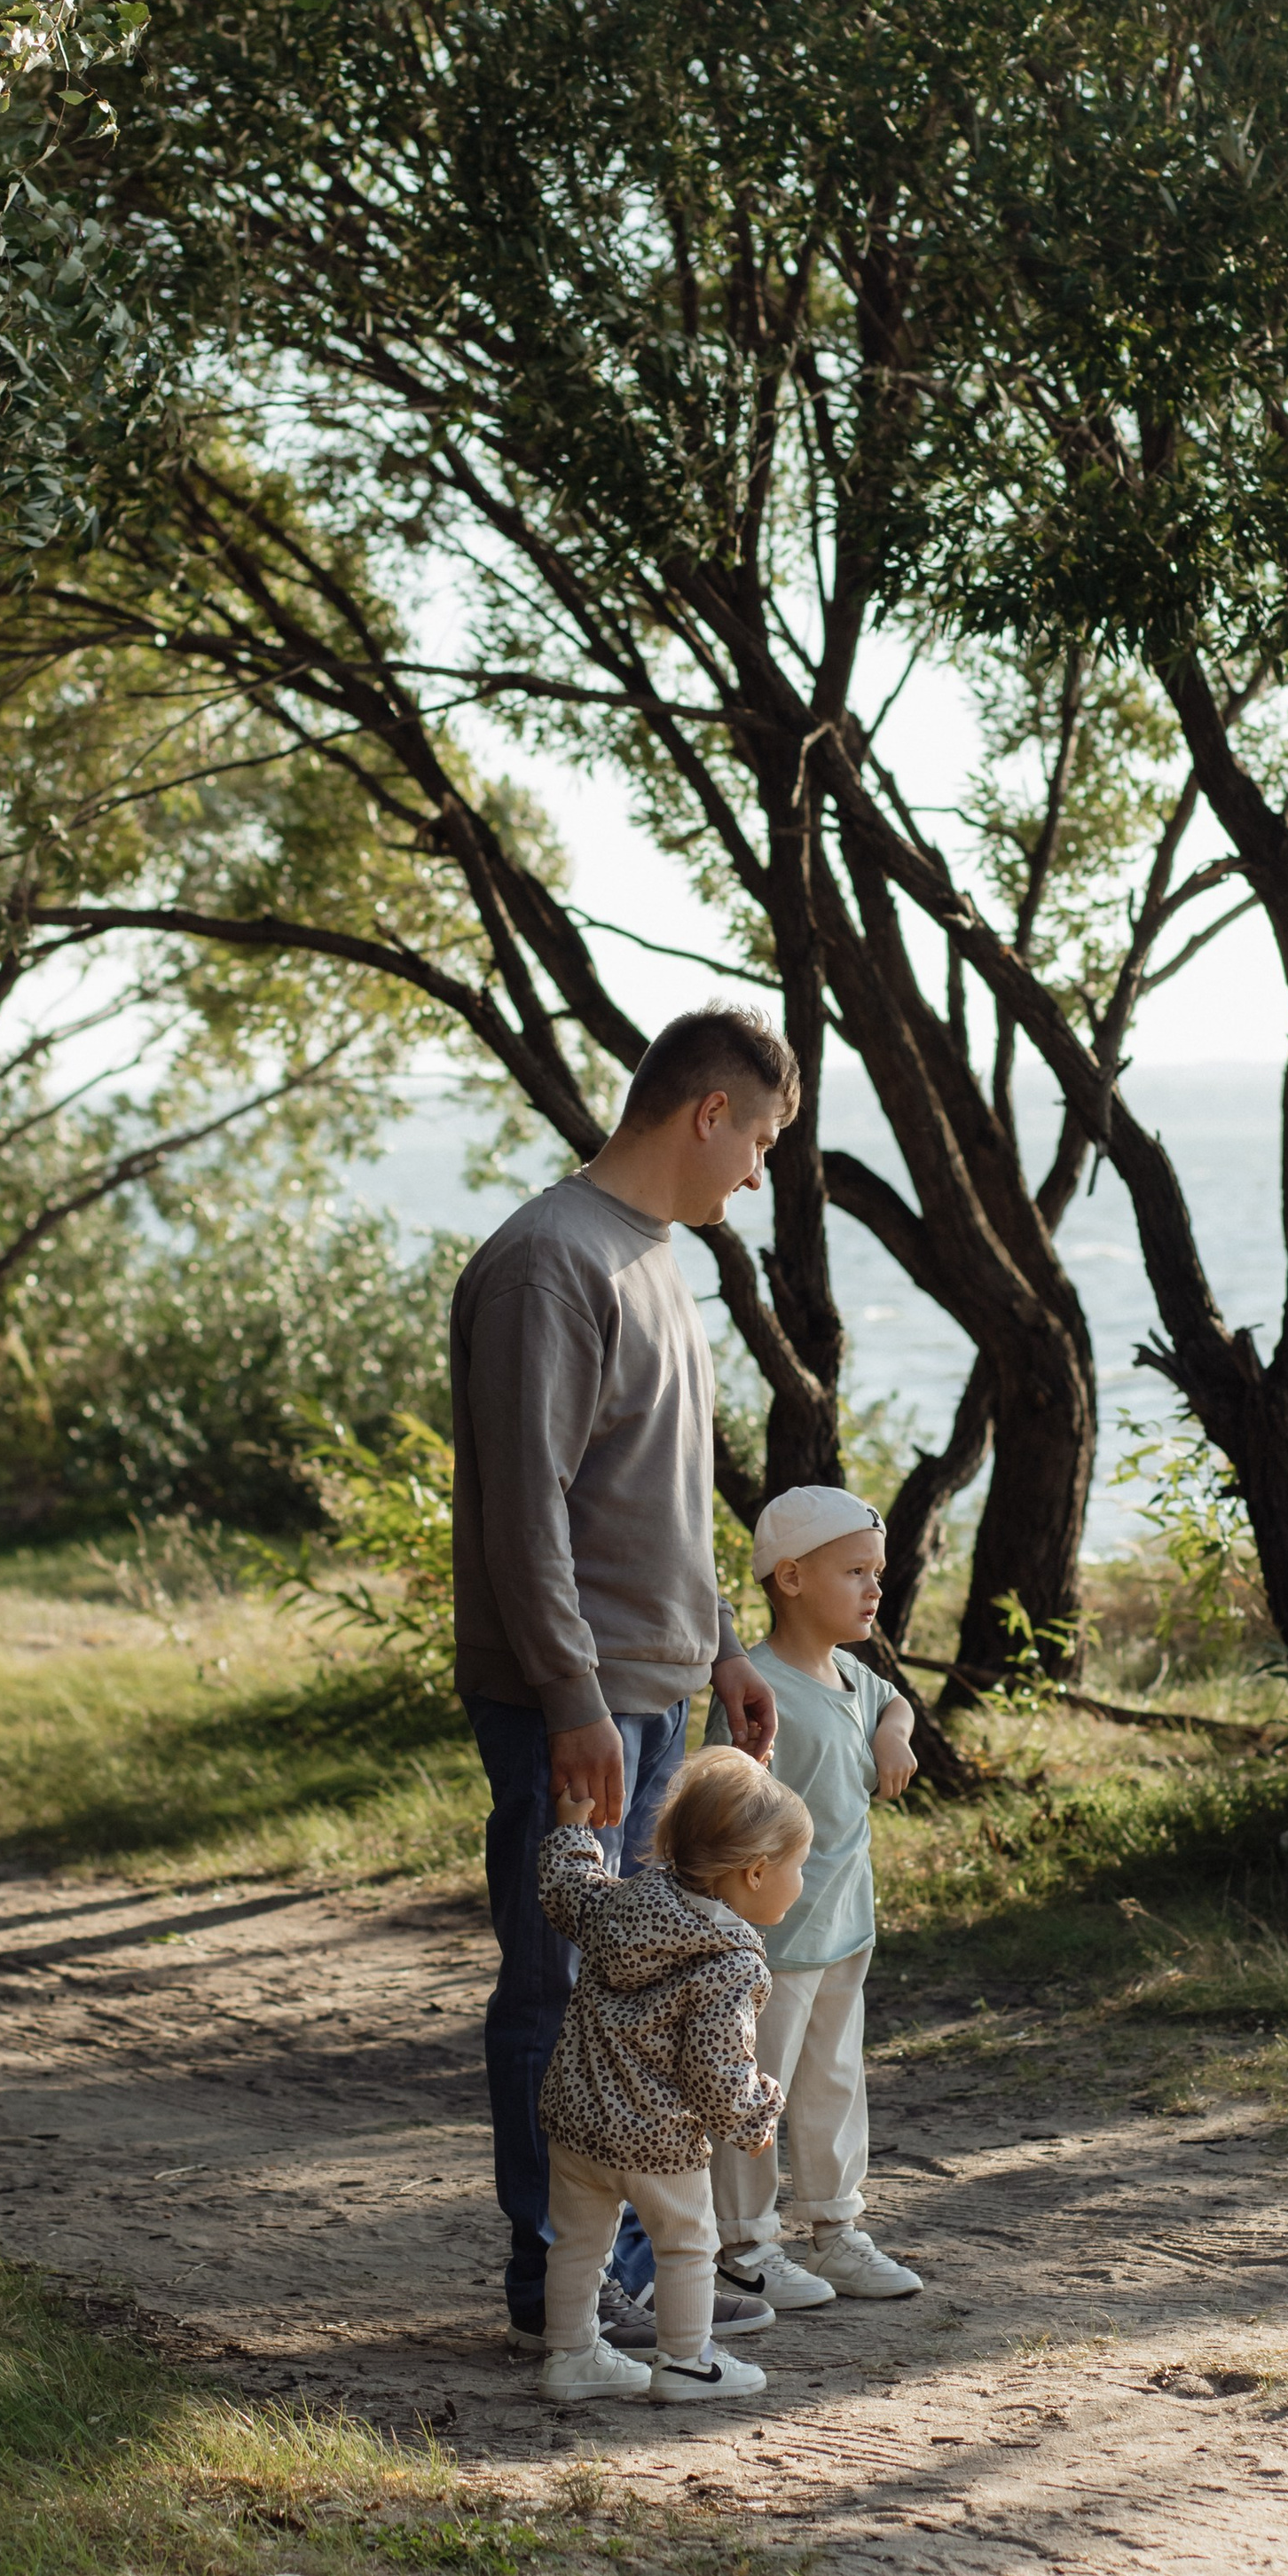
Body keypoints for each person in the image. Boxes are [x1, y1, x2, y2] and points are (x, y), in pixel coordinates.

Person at [451, 1004, 788, 2353]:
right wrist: (574, 1697)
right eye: (759, 1140)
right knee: (556, 1982)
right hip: (573, 1700)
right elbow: (525, 1511)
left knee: (637, 1993)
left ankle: (640, 2262)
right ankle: (559, 2285)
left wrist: (721, 1642)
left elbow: (663, 1494)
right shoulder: (549, 1263)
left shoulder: (656, 1258)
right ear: (709, 1112)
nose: (757, 1173)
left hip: (653, 1678)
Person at [533, 1748, 813, 2403]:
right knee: (688, 2244)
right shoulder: (732, 1963)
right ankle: (686, 2362)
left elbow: (568, 1888)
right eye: (799, 1866)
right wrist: (755, 2116)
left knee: (577, 2246)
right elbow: (717, 2069)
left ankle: (570, 2356)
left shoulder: (622, 1908)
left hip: (578, 2123)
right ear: (754, 1872)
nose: (803, 1878)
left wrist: (575, 1829)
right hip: (659, 2142)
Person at [704, 1483, 925, 2305]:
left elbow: (892, 1700)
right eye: (856, 1572)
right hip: (770, 1940)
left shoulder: (851, 1674)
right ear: (791, 1578)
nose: (876, 1589)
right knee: (752, 2090)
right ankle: (746, 2246)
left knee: (835, 2082)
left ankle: (836, 2230)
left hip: (843, 1929)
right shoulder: (756, 1690)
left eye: (878, 1571)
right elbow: (718, 1811)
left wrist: (894, 1732)